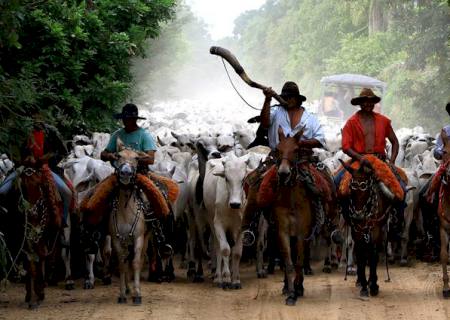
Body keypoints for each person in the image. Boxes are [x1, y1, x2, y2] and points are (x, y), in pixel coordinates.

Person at [242, 81, 330, 240]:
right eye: (285, 97)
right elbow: (265, 122)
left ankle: (331, 225)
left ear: (298, 99)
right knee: (253, 183)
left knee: (326, 185)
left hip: (303, 160)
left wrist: (299, 143)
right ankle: (249, 227)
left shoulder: (310, 118)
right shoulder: (276, 112)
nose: (287, 99)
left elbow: (320, 140)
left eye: (290, 97)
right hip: (277, 160)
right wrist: (268, 100)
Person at [100, 103, 172, 257]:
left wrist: (135, 158)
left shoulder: (144, 135)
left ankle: (162, 238)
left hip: (140, 175)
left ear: (135, 119)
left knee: (160, 200)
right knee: (99, 198)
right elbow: (103, 153)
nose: (127, 121)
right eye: (125, 119)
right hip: (119, 176)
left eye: (130, 119)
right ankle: (96, 234)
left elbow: (151, 158)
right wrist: (111, 156)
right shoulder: (117, 135)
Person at [0, 111, 72, 227]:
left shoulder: (51, 132)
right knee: (2, 191)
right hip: (22, 168)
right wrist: (22, 160)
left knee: (66, 192)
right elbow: (10, 151)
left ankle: (62, 221)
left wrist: (45, 158)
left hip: (45, 167)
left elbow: (62, 151)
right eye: (33, 115)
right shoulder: (20, 130)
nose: (36, 118)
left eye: (39, 115)